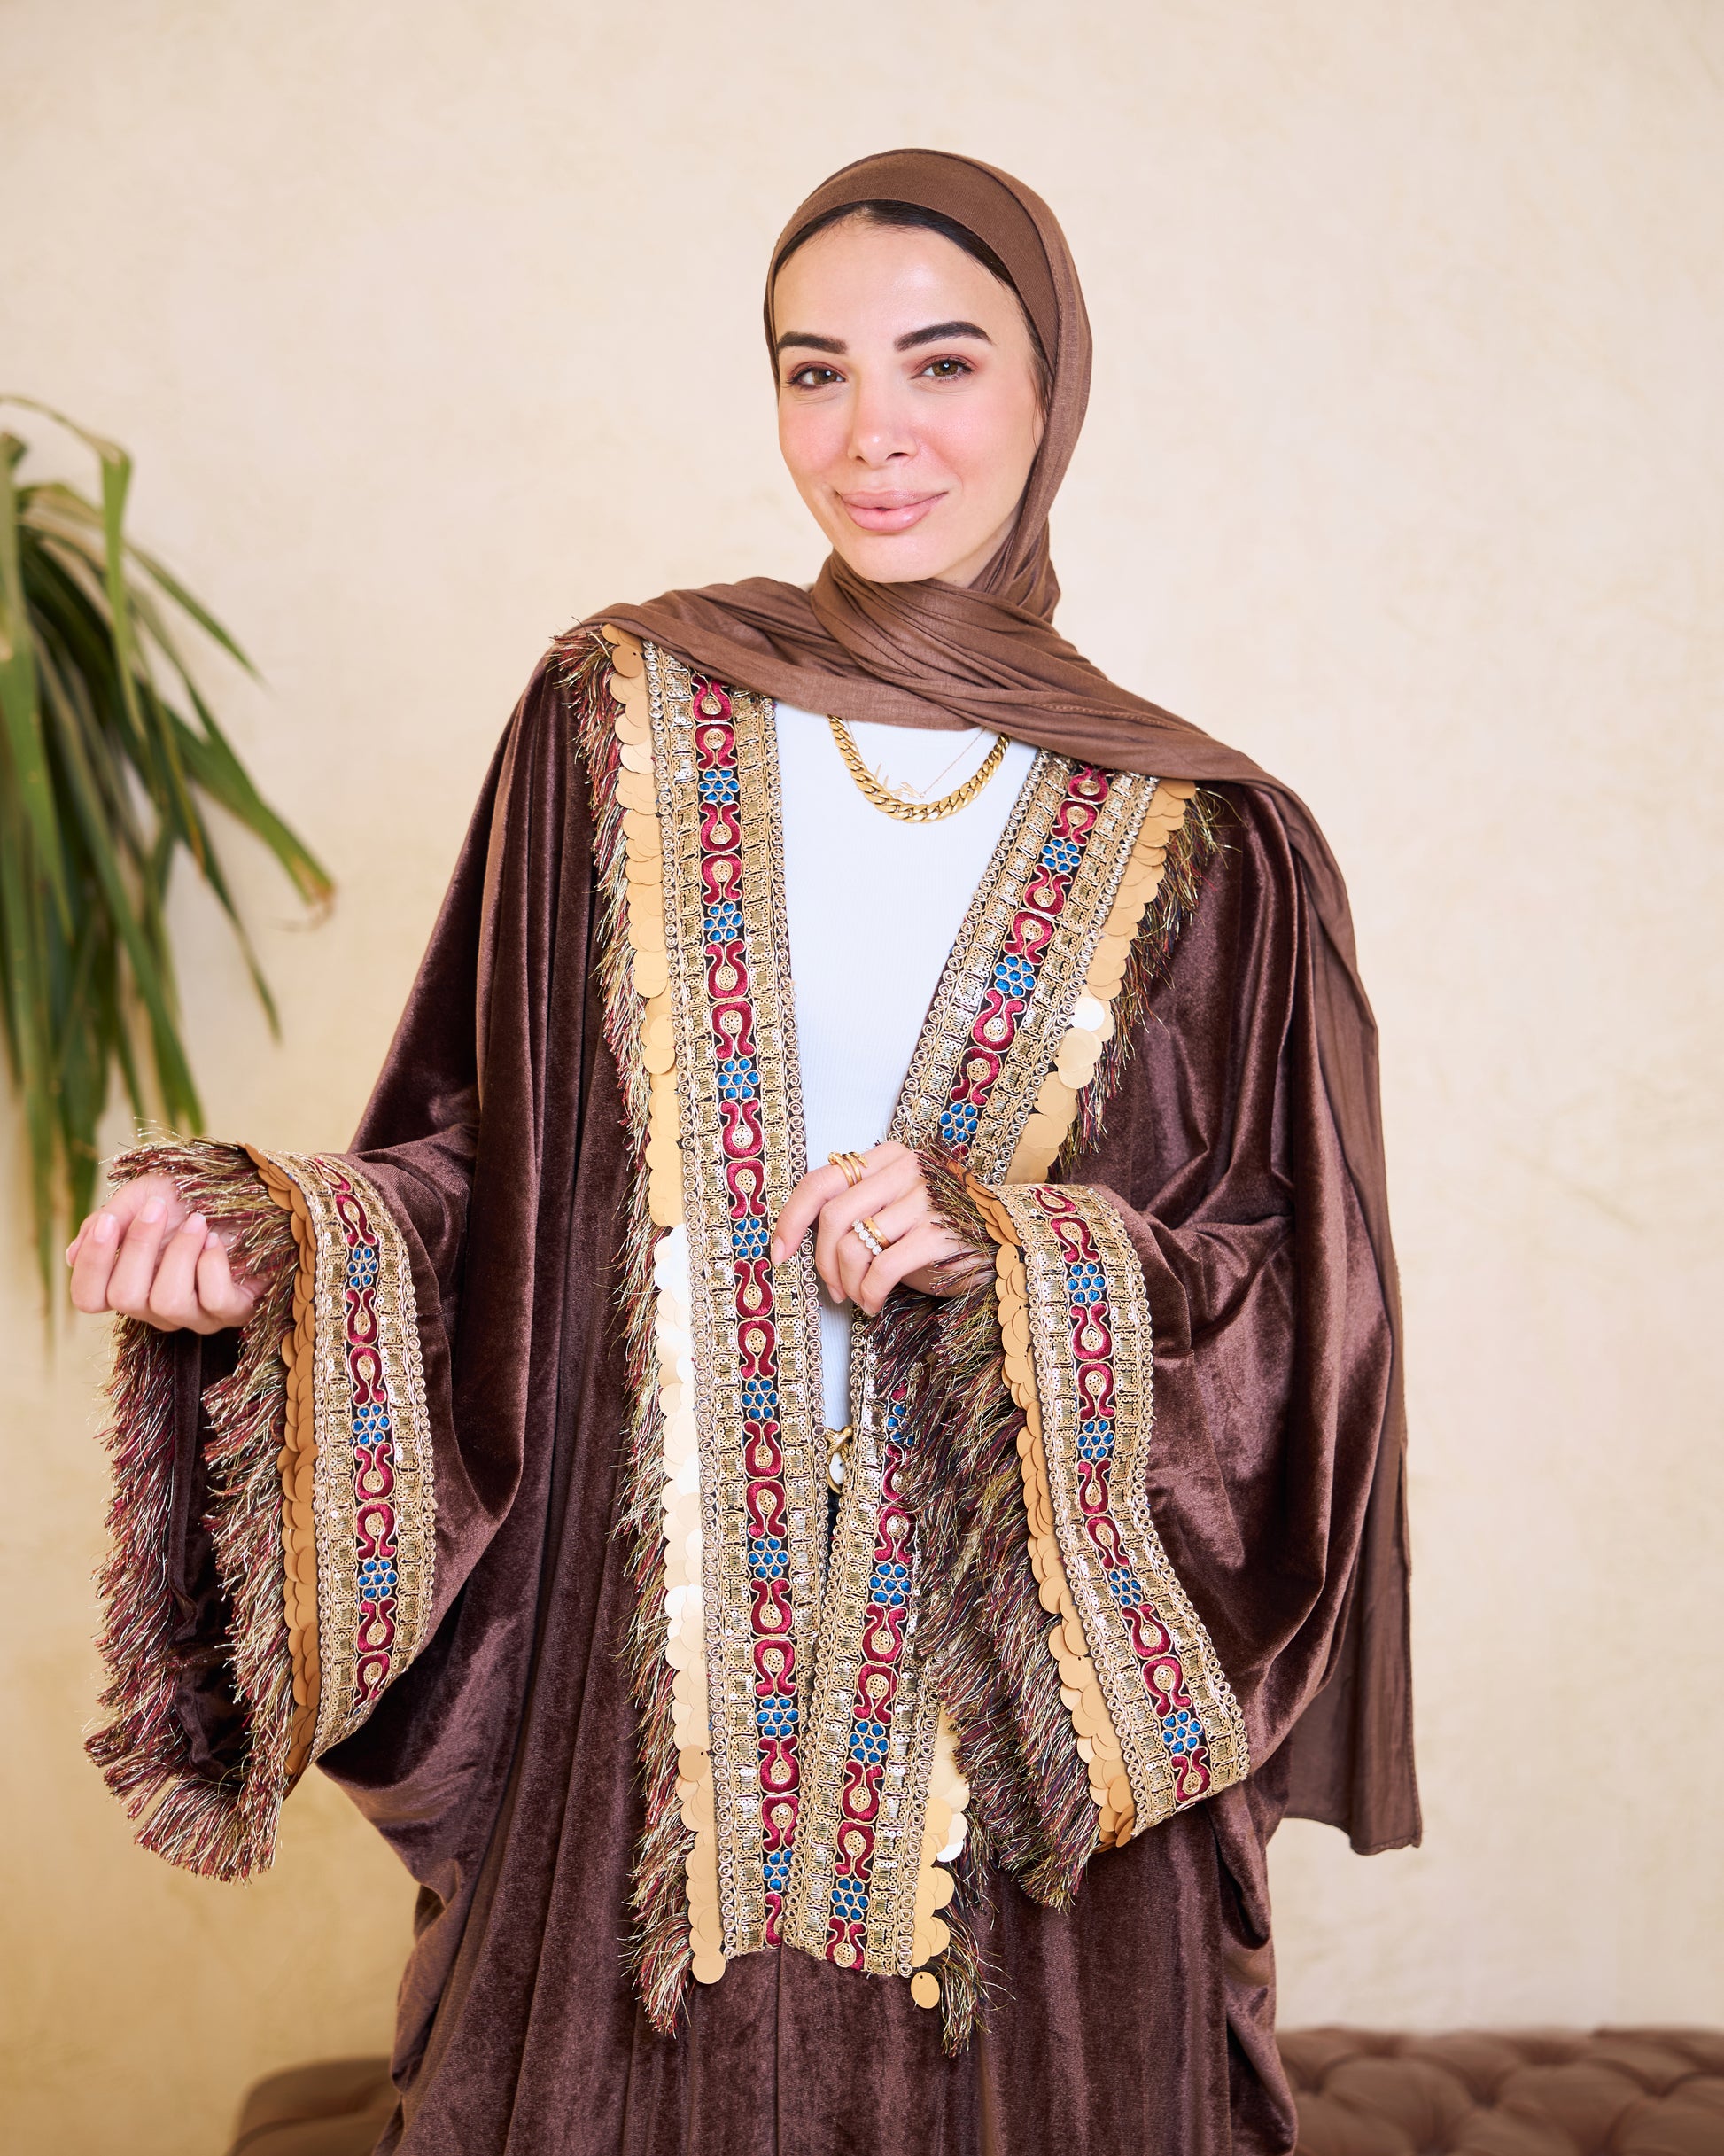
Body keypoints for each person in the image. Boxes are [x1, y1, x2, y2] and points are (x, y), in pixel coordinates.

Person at [66, 150, 1417, 2156]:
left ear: (1052, 389)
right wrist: (265, 1236)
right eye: (813, 370)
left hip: (1027, 1807)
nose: (873, 434)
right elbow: (485, 1173)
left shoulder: (1202, 830)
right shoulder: (611, 718)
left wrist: (1020, 1251)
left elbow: (1291, 1302)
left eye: (941, 364)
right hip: (633, 1729)